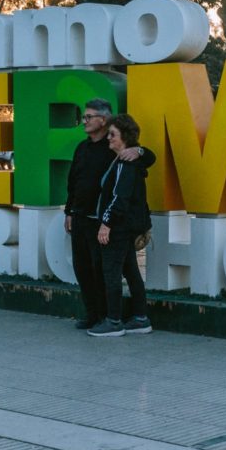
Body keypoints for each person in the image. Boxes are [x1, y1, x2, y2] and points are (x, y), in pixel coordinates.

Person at [64, 99, 155, 330]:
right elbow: (73, 181)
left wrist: (139, 150)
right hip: (80, 217)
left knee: (105, 271)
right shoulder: (82, 148)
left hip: (104, 222)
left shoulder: (118, 150)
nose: (84, 121)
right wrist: (69, 211)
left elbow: (147, 160)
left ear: (102, 120)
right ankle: (94, 315)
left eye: (88, 117)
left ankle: (110, 317)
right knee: (82, 268)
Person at [89, 113, 154, 337]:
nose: (109, 138)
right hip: (126, 227)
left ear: (125, 137)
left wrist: (106, 223)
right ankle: (140, 318)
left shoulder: (126, 164)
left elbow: (119, 198)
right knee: (131, 271)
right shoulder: (123, 160)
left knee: (112, 272)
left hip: (119, 228)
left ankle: (114, 321)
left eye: (113, 135)